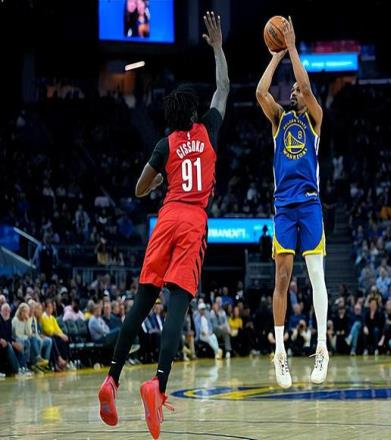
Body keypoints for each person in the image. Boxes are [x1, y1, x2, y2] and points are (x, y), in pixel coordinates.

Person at [98, 12, 229, 439]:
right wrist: (217, 48)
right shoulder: (208, 129)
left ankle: (112, 378)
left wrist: (158, 183)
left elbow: (139, 189)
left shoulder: (165, 143)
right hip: (192, 220)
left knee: (142, 302)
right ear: (193, 111)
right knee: (178, 305)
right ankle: (158, 382)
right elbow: (223, 88)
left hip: (167, 217)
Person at [256, 16, 328, 388]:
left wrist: (294, 47)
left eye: (300, 89)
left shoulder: (315, 117)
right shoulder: (279, 119)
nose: (296, 91)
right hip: (284, 206)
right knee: (282, 277)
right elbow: (260, 91)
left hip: (310, 204)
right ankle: (280, 353)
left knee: (316, 277)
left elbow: (307, 85)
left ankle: (322, 348)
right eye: (294, 89)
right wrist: (277, 53)